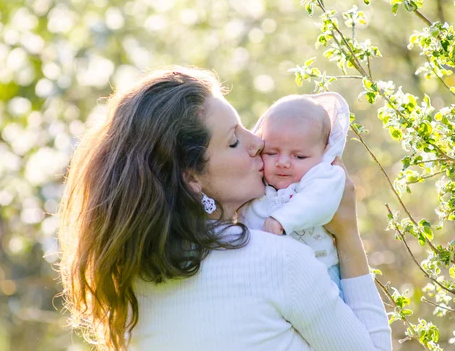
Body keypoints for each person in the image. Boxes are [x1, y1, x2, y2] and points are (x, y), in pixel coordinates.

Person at [57, 66, 392, 351]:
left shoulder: (128, 285)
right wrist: (347, 235)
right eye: (234, 140)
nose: (258, 143)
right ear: (192, 178)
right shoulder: (279, 261)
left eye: (245, 127)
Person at [241, 93, 349, 297]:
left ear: (324, 152)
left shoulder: (322, 176)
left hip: (321, 274)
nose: (282, 162)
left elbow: (318, 202)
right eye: (272, 152)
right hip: (268, 277)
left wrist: (282, 219)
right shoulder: (258, 181)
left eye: (298, 156)